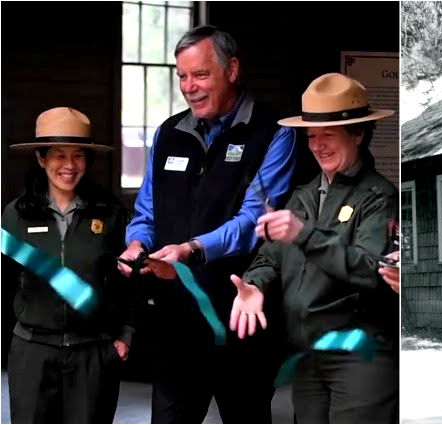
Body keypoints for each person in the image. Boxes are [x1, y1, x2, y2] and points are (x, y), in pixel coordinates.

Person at [117, 25, 296, 423]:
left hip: (240, 318)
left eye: (200, 74)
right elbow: (146, 212)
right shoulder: (168, 134)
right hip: (175, 323)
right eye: (181, 76)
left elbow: (255, 221)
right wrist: (135, 244)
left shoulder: (274, 132)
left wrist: (191, 249)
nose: (189, 87)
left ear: (232, 70)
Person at [230, 72, 399, 423]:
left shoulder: (378, 196)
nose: (318, 145)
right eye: (311, 136)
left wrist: (304, 234)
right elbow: (270, 257)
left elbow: (371, 268)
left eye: (328, 135)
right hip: (306, 355)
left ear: (359, 133)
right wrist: (255, 284)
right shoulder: (303, 196)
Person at [2, 107, 134, 423]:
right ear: (41, 158)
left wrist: (125, 334)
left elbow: (129, 280)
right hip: (33, 352)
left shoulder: (110, 213)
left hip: (94, 352)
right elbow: (4, 280)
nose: (69, 165)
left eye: (78, 155)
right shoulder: (16, 215)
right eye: (59, 155)